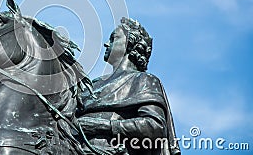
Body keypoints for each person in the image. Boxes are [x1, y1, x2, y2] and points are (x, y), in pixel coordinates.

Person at [77, 17, 181, 155]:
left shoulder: (144, 80)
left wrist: (102, 126)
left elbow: (155, 127)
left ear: (130, 44)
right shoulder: (92, 85)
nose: (106, 44)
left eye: (114, 38)